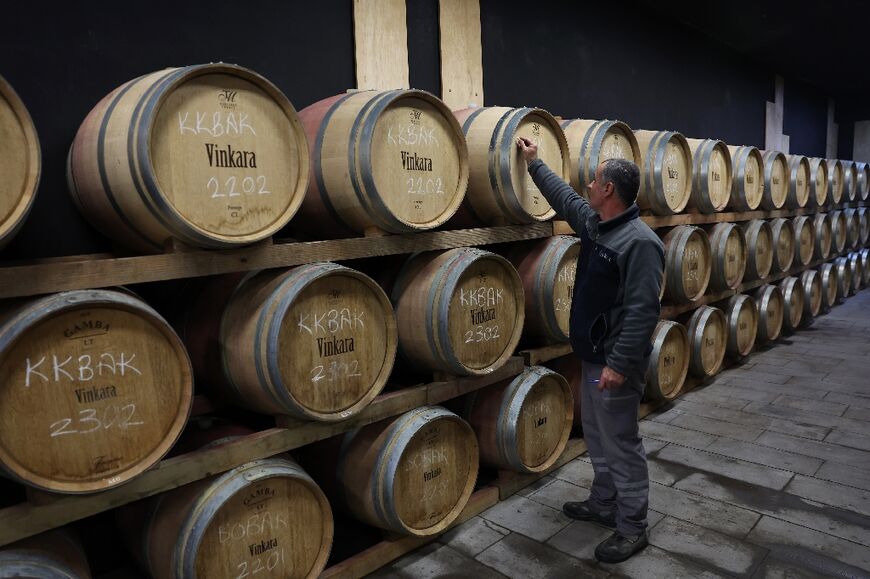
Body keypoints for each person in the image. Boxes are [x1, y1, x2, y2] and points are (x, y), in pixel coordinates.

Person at [516, 137, 664, 563]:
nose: (589, 183)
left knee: (621, 441)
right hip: (593, 354)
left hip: (614, 363)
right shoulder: (599, 225)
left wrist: (619, 364)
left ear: (609, 191)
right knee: (598, 437)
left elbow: (641, 311)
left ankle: (633, 526)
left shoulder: (639, 243)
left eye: (596, 180)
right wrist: (534, 164)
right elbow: (564, 199)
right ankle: (603, 503)